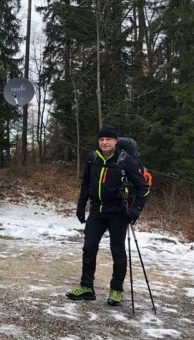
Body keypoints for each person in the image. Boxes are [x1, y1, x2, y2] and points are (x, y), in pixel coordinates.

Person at [67, 124, 150, 306]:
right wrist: (81, 207)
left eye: (108, 139)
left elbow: (143, 188)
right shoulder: (93, 158)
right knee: (89, 248)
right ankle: (87, 287)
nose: (104, 142)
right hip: (97, 210)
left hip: (119, 212)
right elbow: (86, 185)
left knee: (117, 251)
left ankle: (116, 290)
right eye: (101, 139)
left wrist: (135, 211)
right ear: (98, 141)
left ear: (115, 141)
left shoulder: (125, 160)